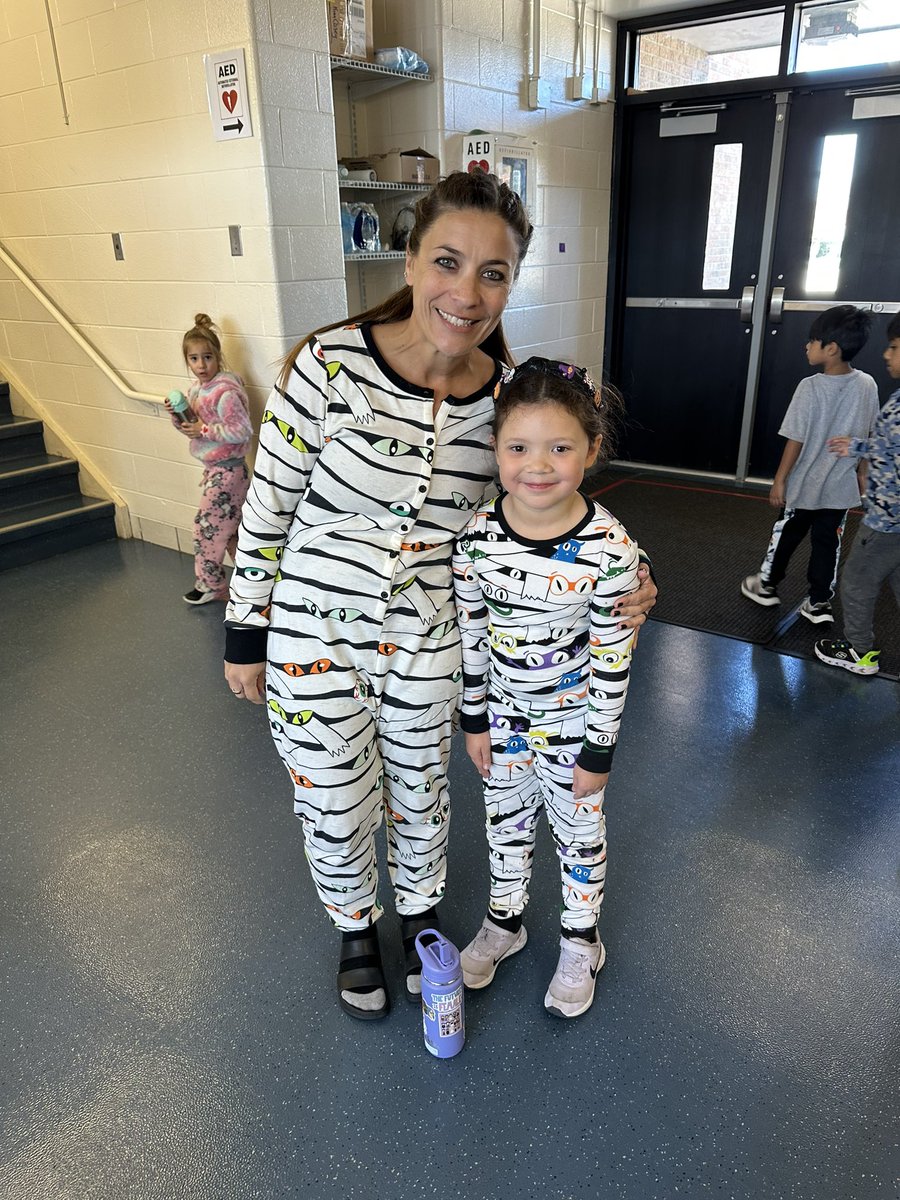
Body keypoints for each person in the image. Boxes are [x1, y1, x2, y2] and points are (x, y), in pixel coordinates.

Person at [221, 171, 657, 1022]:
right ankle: (356, 928)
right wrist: (246, 633)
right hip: (312, 627)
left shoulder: (505, 396)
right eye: (448, 262)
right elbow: (265, 503)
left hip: (433, 634)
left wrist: (636, 578)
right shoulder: (330, 364)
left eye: (493, 273)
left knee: (422, 790)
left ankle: (419, 909)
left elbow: (544, 502)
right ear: (412, 259)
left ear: (510, 284)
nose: (467, 291)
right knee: (334, 795)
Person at [452, 357, 639, 1020]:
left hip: (575, 724)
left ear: (591, 450)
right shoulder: (476, 540)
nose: (538, 465)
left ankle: (581, 939)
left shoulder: (609, 549)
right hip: (501, 719)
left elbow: (615, 657)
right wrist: (473, 719)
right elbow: (471, 633)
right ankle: (506, 921)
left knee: (578, 834)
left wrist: (599, 750)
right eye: (518, 447)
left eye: (559, 447)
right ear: (496, 450)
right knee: (504, 826)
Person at [741, 305, 878, 624]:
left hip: (803, 486)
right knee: (828, 544)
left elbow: (795, 439)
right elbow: (869, 435)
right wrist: (863, 476)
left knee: (786, 535)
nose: (807, 345)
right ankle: (818, 603)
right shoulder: (868, 385)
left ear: (831, 349)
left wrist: (779, 479)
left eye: (812, 340)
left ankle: (767, 585)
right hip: (839, 489)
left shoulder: (810, 387)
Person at [815, 315, 900, 675]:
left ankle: (860, 651)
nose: (886, 354)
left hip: (886, 518)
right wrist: (860, 447)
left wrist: (864, 454)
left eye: (894, 348)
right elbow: (889, 446)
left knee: (857, 581)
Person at [165, 314, 253, 605]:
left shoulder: (225, 393)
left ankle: (211, 585)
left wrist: (202, 428)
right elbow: (196, 435)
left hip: (228, 473)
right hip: (217, 470)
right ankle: (255, 582)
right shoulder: (195, 391)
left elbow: (242, 430)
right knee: (230, 532)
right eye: (194, 359)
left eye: (207, 357)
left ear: (218, 357)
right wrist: (180, 419)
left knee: (206, 527)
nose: (201, 365)